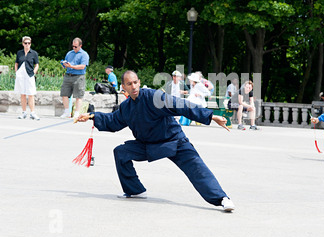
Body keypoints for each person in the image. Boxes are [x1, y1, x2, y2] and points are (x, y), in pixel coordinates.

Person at [75, 70, 235, 212]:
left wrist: (210, 116)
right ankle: (135, 190)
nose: (134, 86)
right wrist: (92, 116)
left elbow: (181, 105)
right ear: (123, 87)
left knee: (197, 168)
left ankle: (221, 198)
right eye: (129, 84)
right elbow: (114, 120)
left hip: (174, 141)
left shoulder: (153, 96)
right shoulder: (126, 107)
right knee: (121, 152)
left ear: (139, 83)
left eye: (136, 82)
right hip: (148, 145)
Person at [60, 38, 89, 119]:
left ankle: (77, 113)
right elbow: (66, 62)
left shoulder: (84, 54)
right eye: (73, 46)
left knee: (78, 95)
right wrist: (64, 64)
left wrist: (71, 66)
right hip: (68, 75)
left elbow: (82, 66)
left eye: (75, 47)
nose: (74, 48)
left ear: (80, 46)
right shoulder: (69, 53)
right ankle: (66, 112)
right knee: (64, 94)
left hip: (78, 77)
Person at [14, 36, 40, 120]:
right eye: (25, 43)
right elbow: (16, 63)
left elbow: (37, 64)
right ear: (23, 44)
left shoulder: (34, 53)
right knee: (23, 94)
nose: (27, 45)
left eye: (29, 43)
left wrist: (34, 72)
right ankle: (24, 112)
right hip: (20, 75)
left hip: (29, 75)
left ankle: (32, 113)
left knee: (31, 94)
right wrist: (16, 72)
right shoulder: (19, 53)